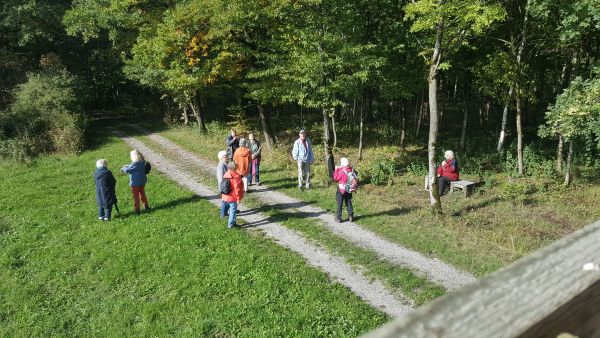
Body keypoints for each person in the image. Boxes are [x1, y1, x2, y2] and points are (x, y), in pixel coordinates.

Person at [221, 161, 244, 229]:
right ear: (235, 168)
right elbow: (237, 189)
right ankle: (230, 226)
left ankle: (233, 222)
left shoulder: (226, 174)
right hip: (233, 197)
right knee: (233, 211)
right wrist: (238, 198)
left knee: (231, 210)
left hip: (225, 195)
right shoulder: (236, 176)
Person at [333, 157, 355, 223]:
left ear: (342, 163)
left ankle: (338, 218)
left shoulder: (341, 171)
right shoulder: (350, 169)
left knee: (340, 203)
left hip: (341, 188)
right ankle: (350, 216)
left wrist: (337, 169)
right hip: (349, 188)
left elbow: (335, 178)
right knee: (348, 201)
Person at [216, 150, 229, 218]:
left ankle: (226, 211)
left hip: (227, 184)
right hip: (224, 185)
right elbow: (220, 177)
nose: (226, 157)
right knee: (225, 200)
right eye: (225, 156)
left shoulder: (225, 163)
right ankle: (223, 214)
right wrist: (223, 186)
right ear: (221, 158)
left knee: (228, 199)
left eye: (226, 156)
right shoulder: (221, 165)